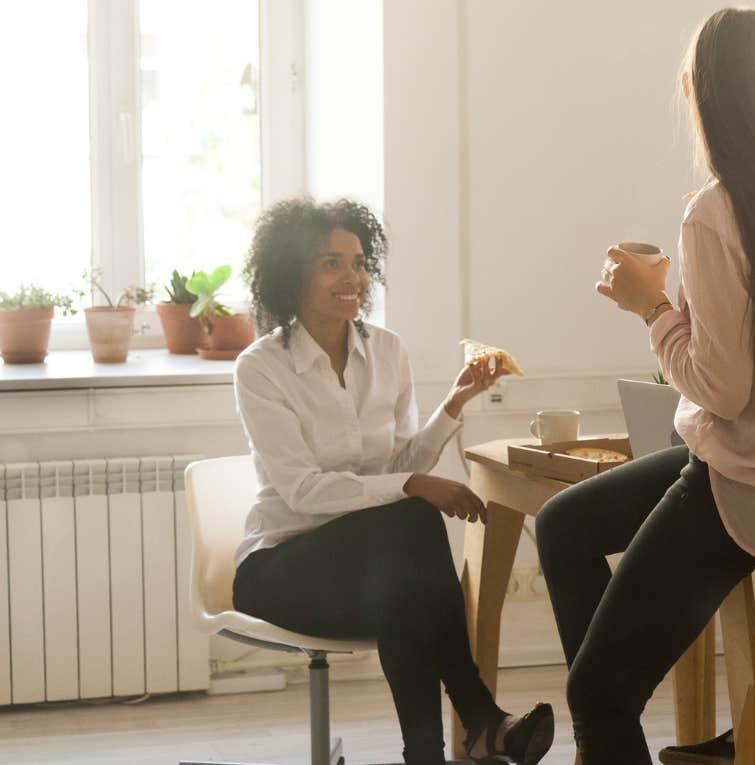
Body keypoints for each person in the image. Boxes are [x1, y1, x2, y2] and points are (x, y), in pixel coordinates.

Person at [533, 8, 755, 764]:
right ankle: (620, 667)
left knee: (594, 694)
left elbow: (719, 388)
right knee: (563, 527)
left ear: (702, 95)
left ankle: (611, 693)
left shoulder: (717, 212)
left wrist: (650, 306)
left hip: (748, 482)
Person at [230, 197, 553, 765]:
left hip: (371, 571)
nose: (352, 276)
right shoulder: (261, 368)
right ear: (289, 274)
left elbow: (402, 464)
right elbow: (305, 491)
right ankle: (480, 721)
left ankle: (432, 750)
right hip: (282, 567)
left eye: (357, 261)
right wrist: (411, 488)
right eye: (331, 262)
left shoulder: (388, 351)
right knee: (412, 525)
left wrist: (455, 403)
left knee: (404, 586)